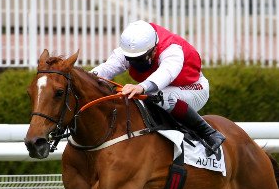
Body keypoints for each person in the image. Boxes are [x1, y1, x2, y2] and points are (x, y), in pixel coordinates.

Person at [91, 20, 225, 156]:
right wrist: (86, 76)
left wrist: (141, 87)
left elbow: (165, 74)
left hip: (194, 89)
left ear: (154, 50)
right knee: (146, 97)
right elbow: (107, 68)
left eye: (140, 59)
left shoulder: (172, 49)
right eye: (131, 59)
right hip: (166, 88)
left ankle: (210, 134)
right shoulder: (132, 50)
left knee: (161, 96)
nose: (134, 63)